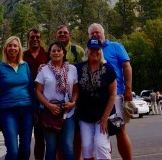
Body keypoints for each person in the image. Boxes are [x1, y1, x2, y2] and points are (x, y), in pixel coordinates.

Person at [88, 23, 132, 160]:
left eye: (97, 32)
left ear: (103, 33)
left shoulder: (115, 47)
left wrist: (128, 89)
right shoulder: (89, 49)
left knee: (119, 130)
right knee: (102, 133)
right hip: (96, 98)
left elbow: (127, 66)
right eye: (92, 33)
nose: (95, 35)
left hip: (116, 95)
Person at [0, 36, 35, 160]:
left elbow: (31, 89)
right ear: (5, 49)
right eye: (10, 46)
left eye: (15, 46)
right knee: (13, 152)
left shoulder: (25, 65)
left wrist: (35, 111)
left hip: (27, 111)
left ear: (19, 48)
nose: (12, 48)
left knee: (26, 150)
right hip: (8, 112)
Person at [35, 41, 78, 160]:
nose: (56, 53)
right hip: (49, 113)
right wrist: (48, 105)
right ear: (49, 54)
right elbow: (38, 91)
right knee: (51, 147)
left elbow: (75, 90)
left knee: (68, 147)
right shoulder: (44, 70)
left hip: (68, 113)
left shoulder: (72, 69)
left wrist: (73, 103)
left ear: (63, 53)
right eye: (53, 51)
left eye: (59, 50)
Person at [76, 38, 117, 160]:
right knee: (87, 147)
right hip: (85, 115)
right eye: (91, 49)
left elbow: (112, 94)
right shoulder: (78, 68)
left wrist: (105, 118)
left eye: (97, 49)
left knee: (101, 146)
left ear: (101, 51)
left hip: (103, 115)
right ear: (87, 51)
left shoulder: (108, 69)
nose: (94, 51)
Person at [56, 25, 84, 160]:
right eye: (60, 32)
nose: (62, 34)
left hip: (76, 98)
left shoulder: (77, 50)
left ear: (69, 35)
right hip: (56, 100)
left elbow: (85, 70)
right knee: (58, 135)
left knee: (77, 134)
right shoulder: (53, 50)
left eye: (65, 33)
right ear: (56, 35)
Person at [23, 28, 48, 160]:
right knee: (25, 137)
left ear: (40, 39)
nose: (35, 39)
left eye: (37, 37)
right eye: (32, 37)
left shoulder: (47, 54)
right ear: (28, 39)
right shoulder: (22, 56)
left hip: (42, 100)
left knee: (40, 137)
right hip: (26, 100)